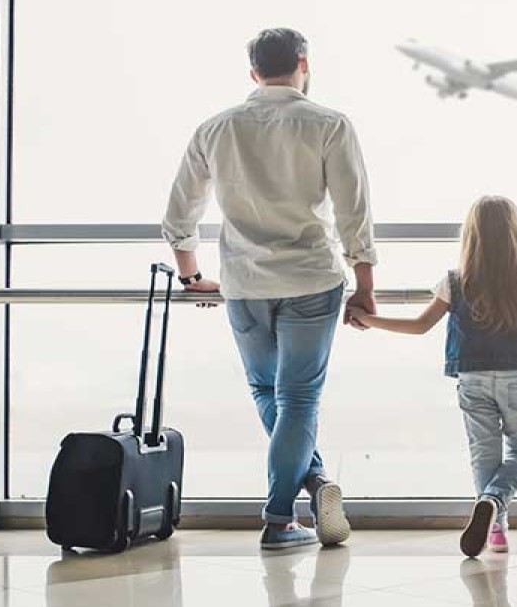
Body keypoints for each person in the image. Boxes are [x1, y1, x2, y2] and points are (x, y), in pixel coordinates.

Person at [161, 27, 377, 550]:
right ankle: (280, 517)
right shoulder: (330, 123)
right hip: (311, 278)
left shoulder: (216, 128)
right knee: (298, 398)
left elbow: (178, 215)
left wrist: (192, 276)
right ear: (304, 63)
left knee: (268, 392)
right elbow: (354, 213)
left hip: (244, 284)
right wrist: (366, 285)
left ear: (253, 72)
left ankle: (315, 480)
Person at [348, 196, 517, 557]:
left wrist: (368, 319)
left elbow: (419, 326)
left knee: (484, 455)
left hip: (473, 376)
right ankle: (494, 503)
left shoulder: (455, 281)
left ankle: (496, 529)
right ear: (514, 235)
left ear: (472, 236)